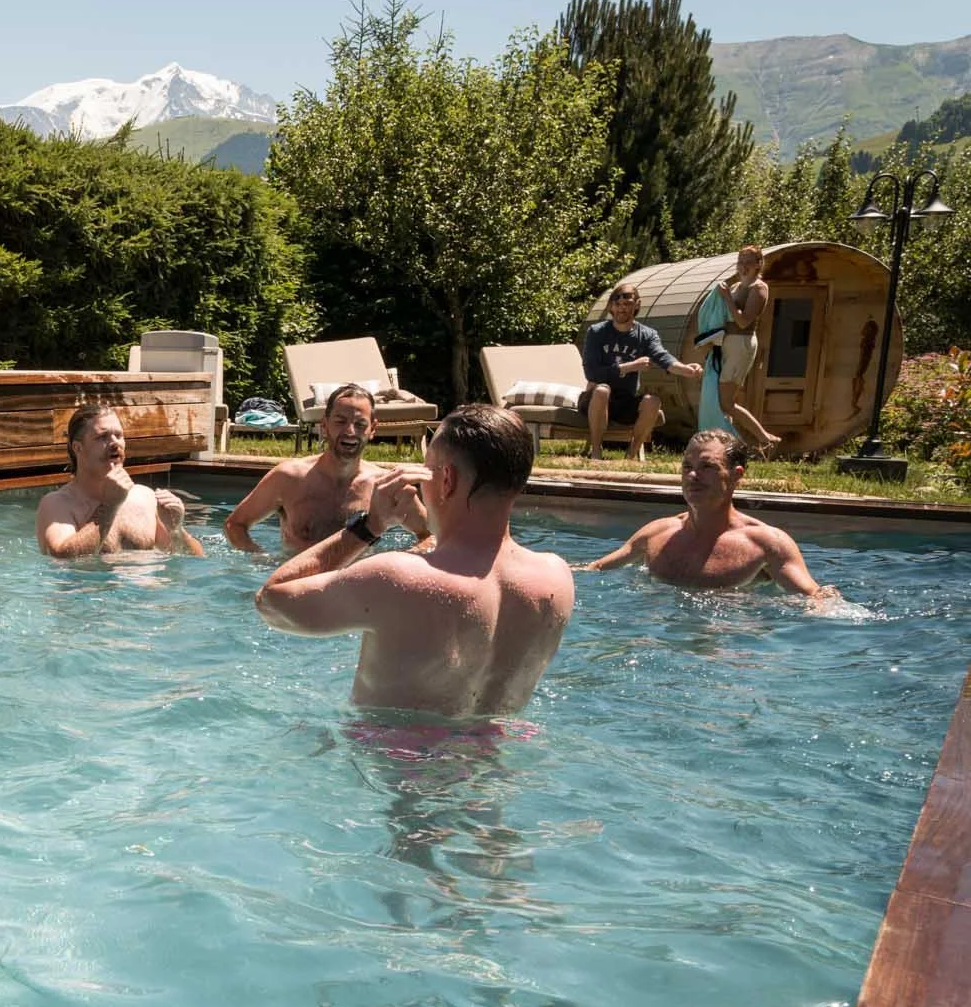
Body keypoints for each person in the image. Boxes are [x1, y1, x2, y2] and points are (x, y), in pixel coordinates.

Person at [254, 403, 574, 718]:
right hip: (494, 757)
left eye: (425, 469)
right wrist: (428, 527)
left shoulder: (396, 578)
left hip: (397, 762)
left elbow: (272, 600)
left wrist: (370, 526)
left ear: (446, 479)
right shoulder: (555, 578)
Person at [582, 428, 837, 598]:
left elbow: (814, 599)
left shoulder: (766, 544)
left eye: (707, 467)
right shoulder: (656, 533)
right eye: (687, 467)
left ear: (737, 476)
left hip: (731, 652)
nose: (693, 476)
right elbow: (592, 572)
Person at [223, 384, 430, 553]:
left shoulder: (386, 485)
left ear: (373, 429)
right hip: (296, 585)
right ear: (324, 425)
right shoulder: (288, 478)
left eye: (360, 424)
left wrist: (400, 566)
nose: (350, 431)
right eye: (340, 421)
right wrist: (261, 560)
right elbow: (235, 525)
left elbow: (430, 536)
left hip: (356, 590)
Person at [37, 406, 205, 557]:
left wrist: (176, 530)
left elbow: (195, 560)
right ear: (78, 448)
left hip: (148, 590)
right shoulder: (57, 504)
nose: (114, 443)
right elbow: (60, 557)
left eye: (118, 435)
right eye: (102, 437)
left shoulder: (145, 497)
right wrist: (110, 506)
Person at [581, 282, 704, 461]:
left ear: (637, 305)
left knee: (652, 401)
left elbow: (663, 357)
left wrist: (686, 370)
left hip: (625, 401)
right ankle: (596, 451)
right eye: (618, 304)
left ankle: (631, 453)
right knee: (602, 390)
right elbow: (592, 374)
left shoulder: (646, 335)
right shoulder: (597, 332)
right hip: (594, 399)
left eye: (628, 303)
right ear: (611, 307)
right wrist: (630, 366)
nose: (622, 308)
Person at [714, 246, 778, 452]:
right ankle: (728, 443)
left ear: (759, 264)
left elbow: (742, 321)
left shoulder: (759, 288)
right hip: (727, 342)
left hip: (742, 343)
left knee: (726, 402)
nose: (742, 266)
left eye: (748, 261)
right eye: (740, 261)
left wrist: (726, 299)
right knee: (722, 400)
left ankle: (764, 438)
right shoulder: (735, 288)